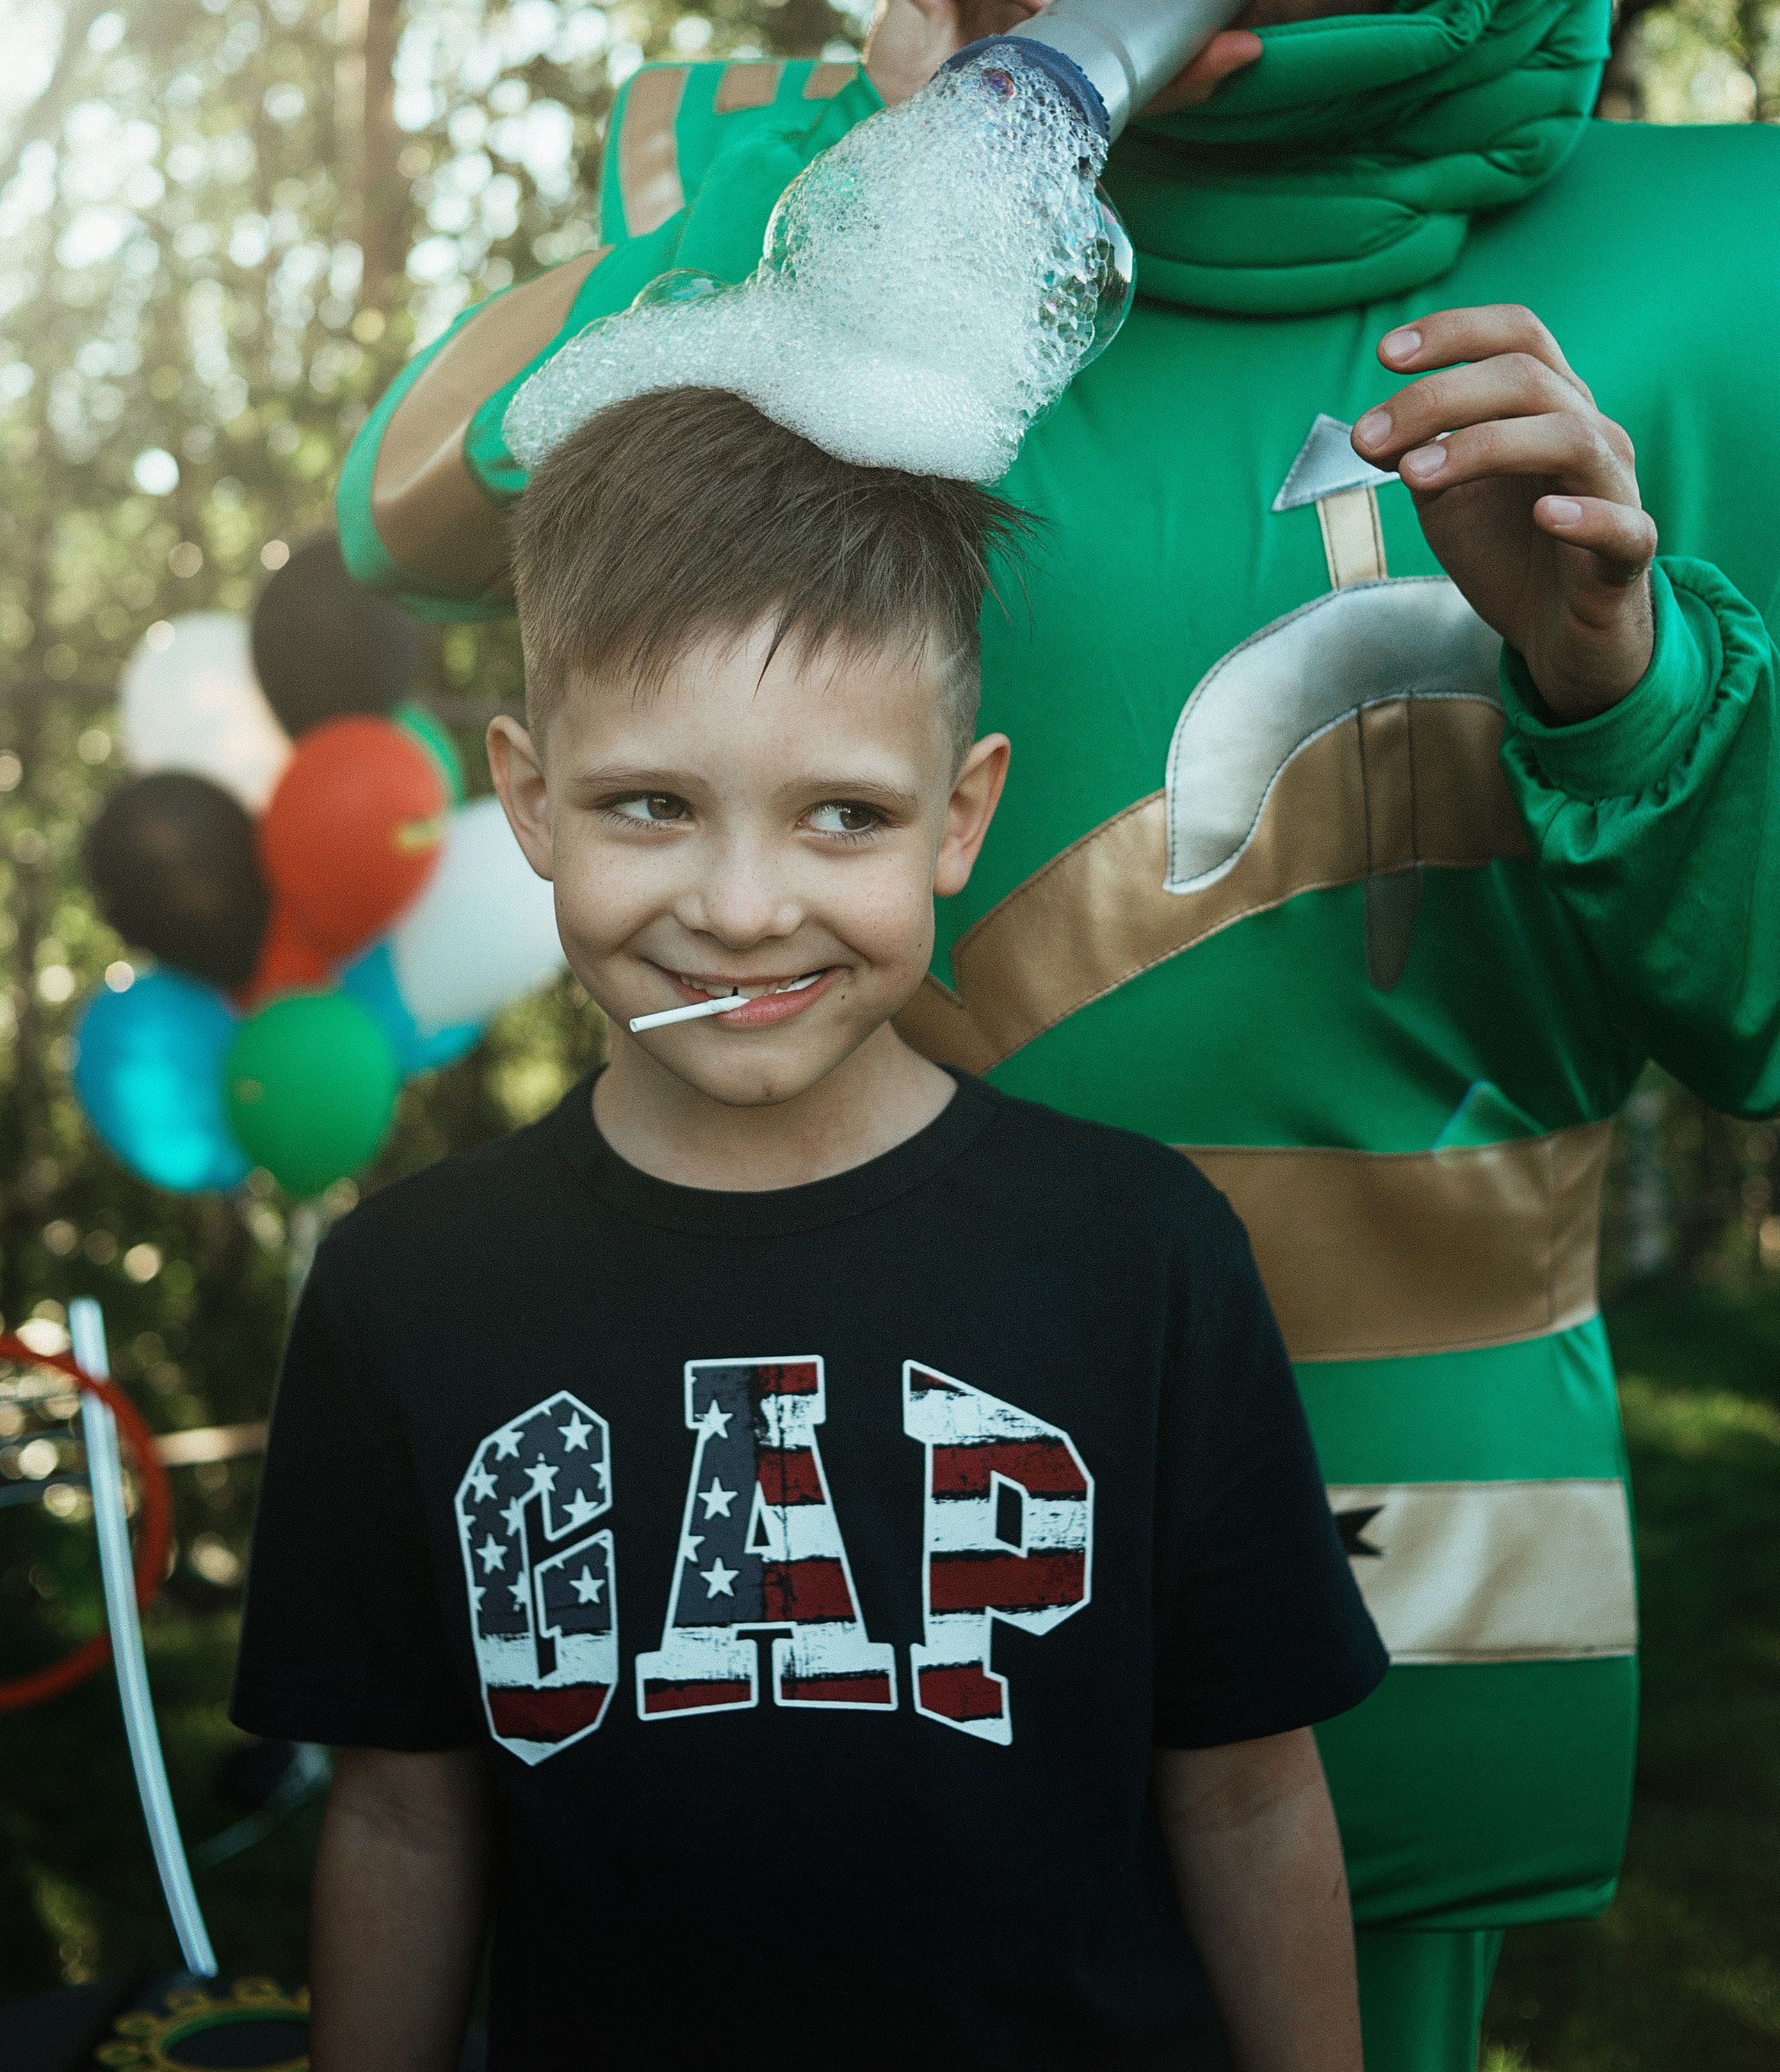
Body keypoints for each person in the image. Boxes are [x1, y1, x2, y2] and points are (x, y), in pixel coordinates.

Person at [332, 0, 1780, 2064]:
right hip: (791, 1526)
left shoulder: (1725, 269)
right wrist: (853, 170)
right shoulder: (823, 171)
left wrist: (1627, 666)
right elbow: (421, 500)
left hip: (1402, 1576)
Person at [236, 386, 1389, 2072]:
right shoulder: (404, 1291)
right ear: (531, 799)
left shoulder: (1142, 1256)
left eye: (841, 813)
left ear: (958, 816)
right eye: (649, 805)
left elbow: (1247, 1794)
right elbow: (405, 1818)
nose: (741, 907)